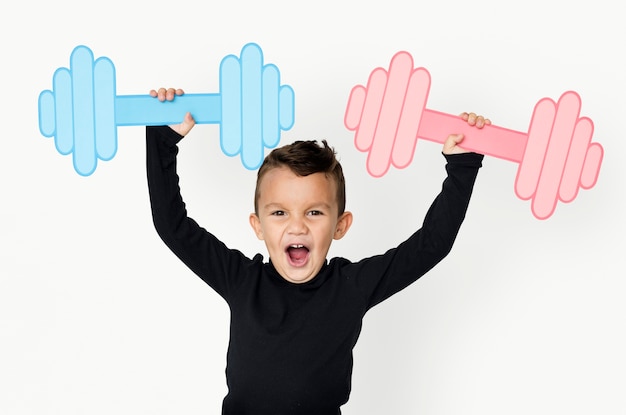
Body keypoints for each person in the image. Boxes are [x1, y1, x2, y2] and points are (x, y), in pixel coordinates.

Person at [146, 87, 491, 414]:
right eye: (280, 213)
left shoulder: (351, 286)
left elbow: (431, 244)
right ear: (258, 226)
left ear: (340, 225)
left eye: (314, 212)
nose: (297, 226)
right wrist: (163, 141)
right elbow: (173, 227)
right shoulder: (241, 280)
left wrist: (462, 166)